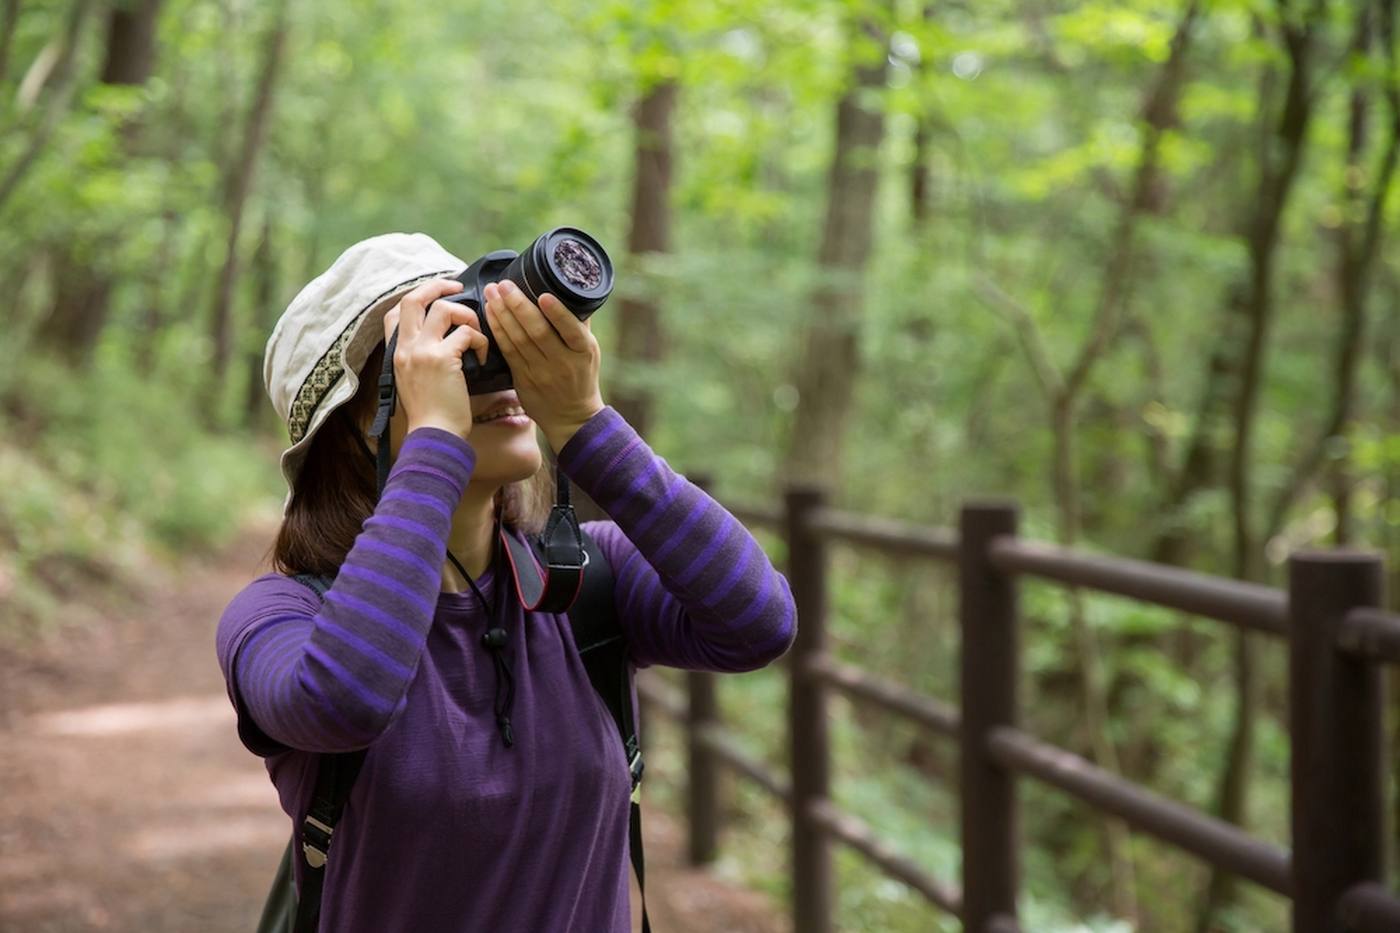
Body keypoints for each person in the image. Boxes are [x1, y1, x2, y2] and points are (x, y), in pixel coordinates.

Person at [215, 232, 798, 932]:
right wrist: (435, 440)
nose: (494, 369)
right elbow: (346, 697)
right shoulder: (280, 618)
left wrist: (587, 425)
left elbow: (761, 620)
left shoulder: (586, 582)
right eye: (448, 353)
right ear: (353, 431)